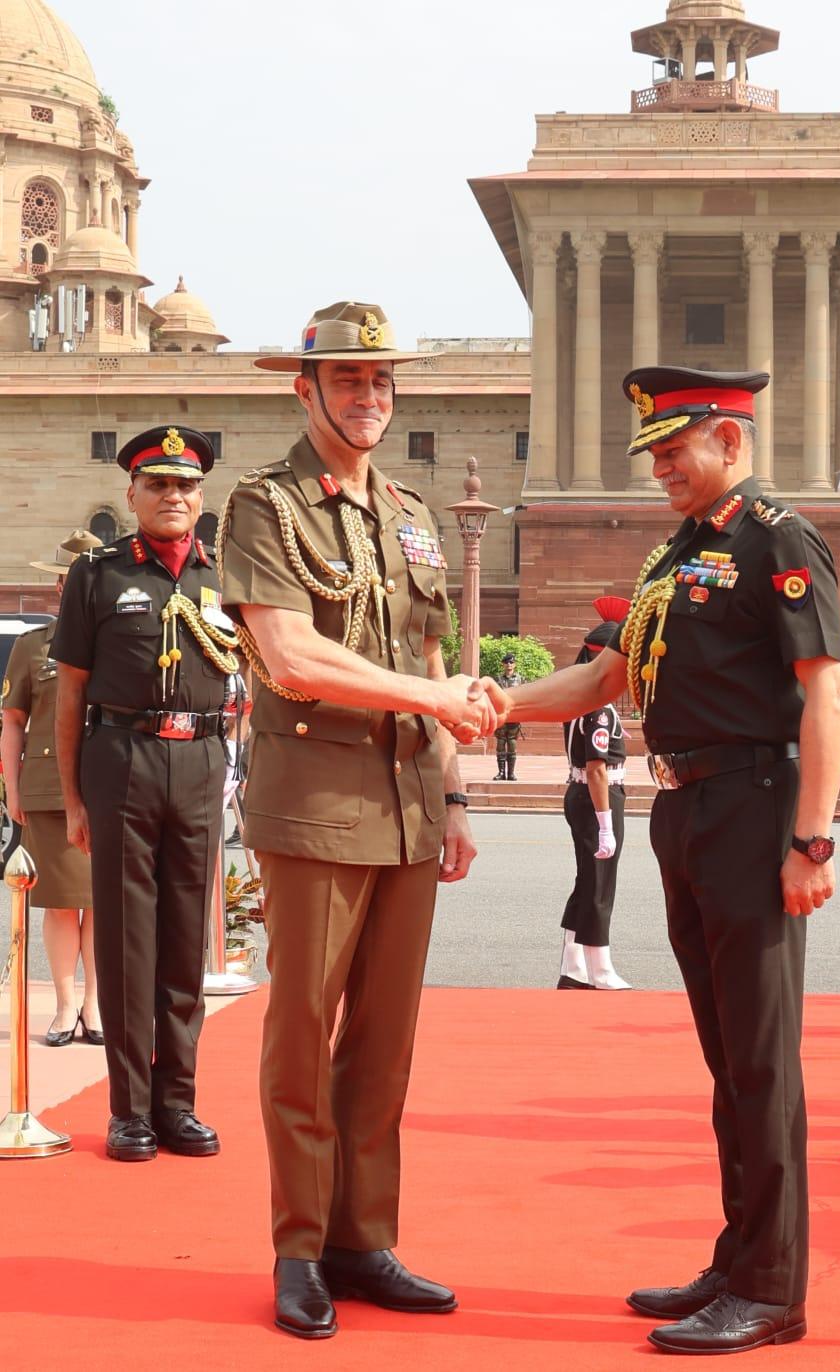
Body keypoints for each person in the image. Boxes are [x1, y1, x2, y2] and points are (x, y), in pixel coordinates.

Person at [485, 366, 840, 1356]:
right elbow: (608, 674)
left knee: (764, 1060)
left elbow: (824, 691)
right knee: (728, 1058)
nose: (659, 470)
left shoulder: (778, 537)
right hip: (687, 810)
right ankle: (738, 1258)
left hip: (756, 807)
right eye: (653, 454)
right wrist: (499, 701)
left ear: (731, 443)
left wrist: (814, 838)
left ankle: (774, 1288)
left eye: (673, 451)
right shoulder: (676, 553)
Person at [217, 301, 493, 1340]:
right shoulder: (265, 506)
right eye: (347, 379)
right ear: (305, 388)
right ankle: (297, 1247)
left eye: (382, 380)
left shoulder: (413, 511)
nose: (369, 396)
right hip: (318, 804)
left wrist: (456, 791)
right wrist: (435, 706)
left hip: (412, 803)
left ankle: (361, 1239)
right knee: (301, 1036)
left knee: (383, 1045)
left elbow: (428, 651)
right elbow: (291, 657)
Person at [53, 426, 236, 1164]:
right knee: (128, 942)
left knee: (186, 941)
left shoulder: (226, 577)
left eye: (186, 486)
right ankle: (129, 1112)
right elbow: (68, 695)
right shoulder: (95, 576)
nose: (173, 496)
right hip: (119, 758)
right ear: (132, 494)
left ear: (202, 497)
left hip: (199, 760)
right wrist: (71, 801)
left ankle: (177, 1103)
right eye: (158, 485)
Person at [0, 531, 103, 1047]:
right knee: (62, 903)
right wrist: (10, 789)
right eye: (72, 580)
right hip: (47, 791)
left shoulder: (121, 643)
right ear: (61, 586)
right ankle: (65, 1006)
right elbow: (13, 721)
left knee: (106, 903)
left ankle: (95, 1006)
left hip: (111, 788)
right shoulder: (32, 646)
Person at [558, 597, 631, 991]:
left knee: (588, 879)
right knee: (601, 881)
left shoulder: (577, 699)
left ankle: (574, 965)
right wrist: (606, 824)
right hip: (597, 796)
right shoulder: (600, 709)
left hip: (581, 794)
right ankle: (599, 965)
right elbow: (598, 768)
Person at [493, 652, 523, 779]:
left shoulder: (520, 679)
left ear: (514, 664)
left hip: (514, 715)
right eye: (506, 663)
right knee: (500, 744)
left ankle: (510, 773)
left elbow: (523, 696)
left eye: (511, 662)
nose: (509, 665)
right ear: (503, 665)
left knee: (512, 744)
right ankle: (501, 773)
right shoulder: (498, 680)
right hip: (501, 715)